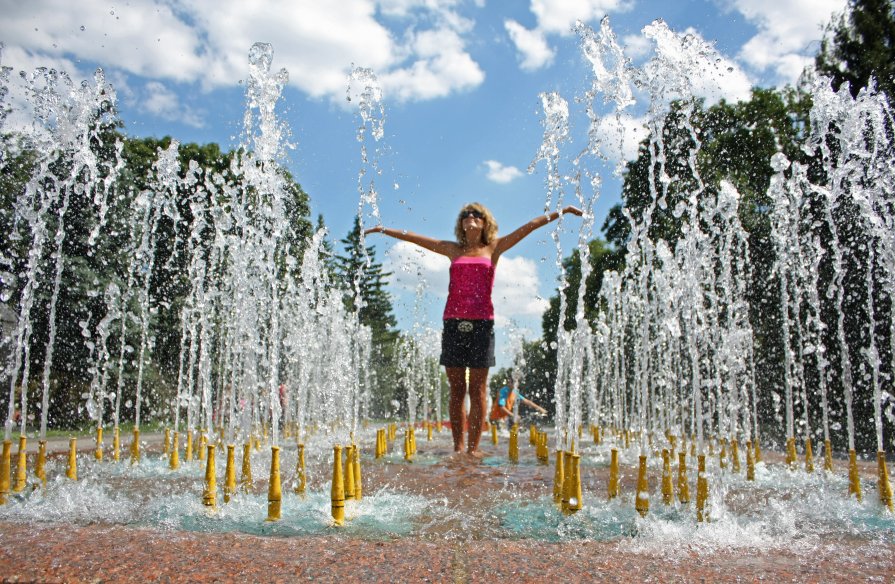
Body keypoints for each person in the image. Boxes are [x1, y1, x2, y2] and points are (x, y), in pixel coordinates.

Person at [365, 202, 582, 458]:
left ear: (484, 222)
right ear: (461, 224)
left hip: (482, 324)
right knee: (457, 388)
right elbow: (416, 238)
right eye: (465, 215)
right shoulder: (452, 249)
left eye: (476, 214)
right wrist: (383, 230)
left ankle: (474, 448)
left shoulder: (494, 247)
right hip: (453, 323)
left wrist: (562, 212)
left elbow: (529, 227)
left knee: (478, 388)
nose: (470, 217)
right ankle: (458, 447)